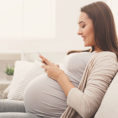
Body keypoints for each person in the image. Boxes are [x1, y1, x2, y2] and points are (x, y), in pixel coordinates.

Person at [0, 1, 118, 118]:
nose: (78, 32)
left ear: (99, 25)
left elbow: (87, 108)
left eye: (83, 25)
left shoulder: (107, 58)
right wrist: (55, 70)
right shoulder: (92, 53)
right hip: (34, 109)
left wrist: (59, 75)